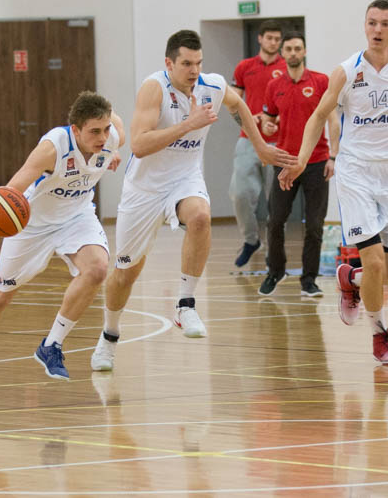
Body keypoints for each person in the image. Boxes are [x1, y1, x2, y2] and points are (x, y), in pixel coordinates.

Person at [90, 29, 294, 371]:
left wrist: (259, 146)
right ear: (169, 63)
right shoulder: (154, 88)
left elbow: (239, 104)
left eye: (198, 62)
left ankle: (185, 305)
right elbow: (138, 145)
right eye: (186, 63)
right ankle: (109, 336)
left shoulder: (211, 85)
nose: (194, 70)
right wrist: (188, 124)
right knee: (125, 272)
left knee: (200, 216)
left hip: (184, 179)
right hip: (144, 190)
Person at [0, 92, 125, 395]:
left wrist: (110, 152)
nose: (103, 137)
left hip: (76, 216)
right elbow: (18, 184)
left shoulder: (112, 135)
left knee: (98, 269)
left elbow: (115, 129)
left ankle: (51, 345)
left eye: (105, 130)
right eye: (94, 132)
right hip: (32, 224)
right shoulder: (53, 148)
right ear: (75, 130)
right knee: (0, 297)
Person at [280, 0, 388, 366]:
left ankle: (350, 278)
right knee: (377, 263)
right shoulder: (347, 71)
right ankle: (381, 338)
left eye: (385, 23)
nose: (377, 30)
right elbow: (319, 116)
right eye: (371, 23)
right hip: (356, 174)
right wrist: (303, 160)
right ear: (364, 26)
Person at [258, 31, 339, 297]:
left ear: (304, 52)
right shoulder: (274, 86)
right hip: (284, 162)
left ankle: (309, 280)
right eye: (288, 49)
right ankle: (275, 271)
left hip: (316, 162)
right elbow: (269, 123)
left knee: (315, 225)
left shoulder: (320, 81)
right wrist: (267, 127)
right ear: (282, 54)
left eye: (297, 48)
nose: (293, 53)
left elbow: (333, 120)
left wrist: (333, 156)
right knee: (275, 221)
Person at [229, 20, 286, 267]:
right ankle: (251, 241)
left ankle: (275, 253)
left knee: (277, 202)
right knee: (239, 194)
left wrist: (277, 119)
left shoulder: (286, 68)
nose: (274, 42)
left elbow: (293, 105)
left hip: (279, 143)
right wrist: (246, 119)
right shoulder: (244, 67)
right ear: (260, 39)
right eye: (269, 38)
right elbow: (232, 102)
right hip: (248, 141)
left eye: (277, 38)